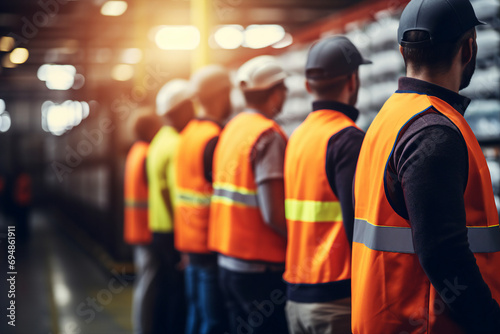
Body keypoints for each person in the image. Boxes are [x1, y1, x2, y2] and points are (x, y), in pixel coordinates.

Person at [351, 0, 500, 333]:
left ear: (403, 51)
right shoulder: (435, 132)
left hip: (386, 317)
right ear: (468, 49)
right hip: (426, 323)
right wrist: (489, 319)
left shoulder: (389, 117)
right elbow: (443, 255)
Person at [283, 36, 370, 334]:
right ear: (352, 80)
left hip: (297, 296)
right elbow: (357, 226)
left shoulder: (297, 136)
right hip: (336, 299)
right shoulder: (348, 139)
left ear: (308, 86)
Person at [208, 56, 289, 334]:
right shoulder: (268, 136)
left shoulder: (232, 128)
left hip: (228, 261)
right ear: (276, 93)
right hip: (260, 269)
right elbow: (273, 214)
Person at [174, 65, 232, 334]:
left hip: (189, 243)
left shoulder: (186, 136)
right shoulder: (213, 138)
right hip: (209, 244)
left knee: (196, 313)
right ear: (221, 95)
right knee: (213, 321)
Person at [147, 79, 195, 334]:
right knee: (179, 293)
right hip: (174, 231)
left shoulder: (159, 140)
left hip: (158, 227)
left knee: (165, 289)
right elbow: (180, 198)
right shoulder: (177, 143)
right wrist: (187, 241)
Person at [123, 110, 162, 334]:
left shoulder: (135, 152)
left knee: (145, 282)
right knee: (148, 285)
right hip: (147, 229)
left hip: (137, 228)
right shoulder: (147, 153)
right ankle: (144, 329)